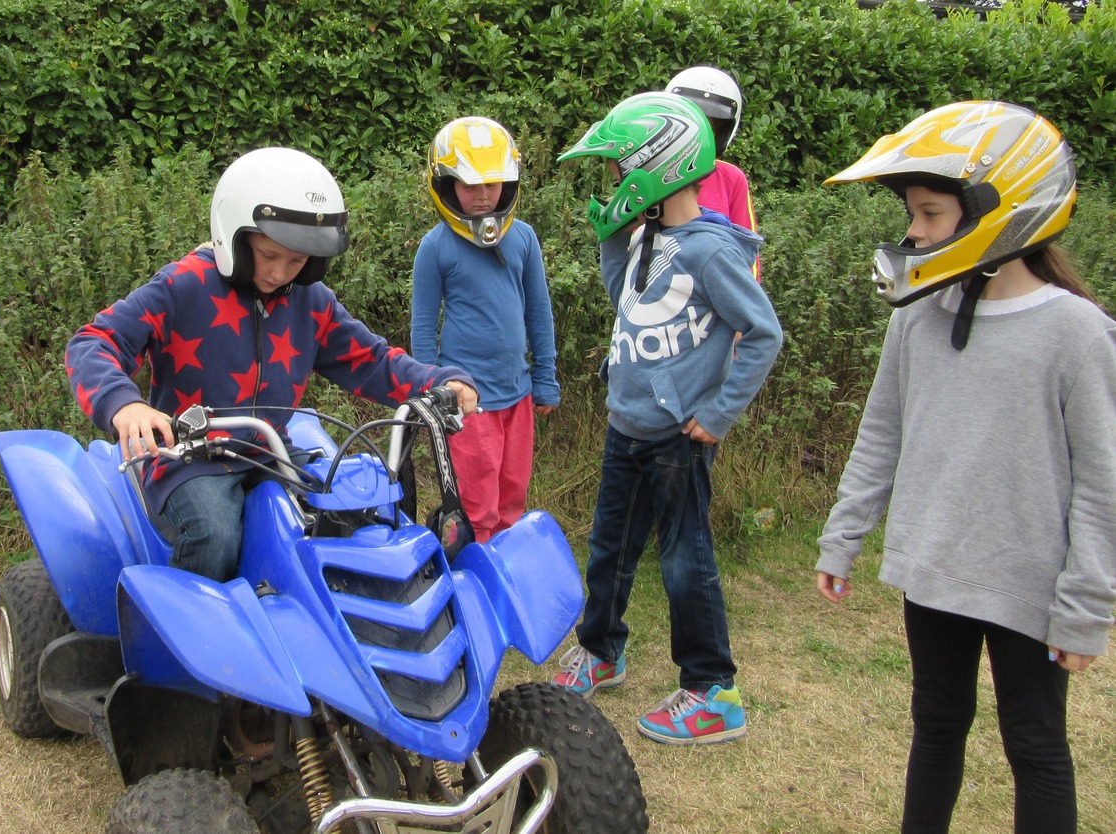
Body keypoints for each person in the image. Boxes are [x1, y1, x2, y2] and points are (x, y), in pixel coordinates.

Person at [815, 101, 1116, 834]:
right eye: (913, 214)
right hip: (934, 568)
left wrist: (1085, 605)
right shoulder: (915, 316)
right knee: (936, 723)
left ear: (1000, 210)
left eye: (929, 212)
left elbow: (1101, 483)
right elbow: (879, 433)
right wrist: (842, 534)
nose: (913, 232)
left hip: (1027, 580)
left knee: (1035, 744)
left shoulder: (1077, 332)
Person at [66, 147, 478, 582]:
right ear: (236, 237)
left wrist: (440, 381)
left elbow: (371, 360)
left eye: (297, 261)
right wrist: (123, 403)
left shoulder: (311, 301)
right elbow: (93, 342)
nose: (280, 272)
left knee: (350, 510)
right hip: (189, 458)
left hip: (271, 450)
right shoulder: (182, 286)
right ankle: (191, 635)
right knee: (214, 534)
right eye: (269, 255)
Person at [550, 92, 783, 745]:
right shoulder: (646, 236)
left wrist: (718, 412)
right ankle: (601, 651)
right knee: (609, 548)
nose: (612, 186)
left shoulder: (710, 251)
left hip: (679, 436)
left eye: (619, 172)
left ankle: (712, 691)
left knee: (685, 562)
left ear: (658, 166)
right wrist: (611, 237)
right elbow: (625, 301)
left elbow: (762, 333)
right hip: (626, 423)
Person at [411, 116, 560, 543]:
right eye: (470, 185)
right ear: (445, 184)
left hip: (519, 394)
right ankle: (472, 581)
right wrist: (430, 393)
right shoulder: (436, 246)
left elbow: (539, 313)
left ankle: (506, 583)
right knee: (478, 507)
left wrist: (545, 379)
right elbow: (423, 327)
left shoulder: (524, 239)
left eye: (492, 184)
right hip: (466, 402)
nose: (482, 195)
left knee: (513, 498)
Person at [666, 65, 760, 282]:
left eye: (706, 126)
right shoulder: (653, 171)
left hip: (715, 288)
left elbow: (747, 251)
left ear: (719, 133)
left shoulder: (731, 178)